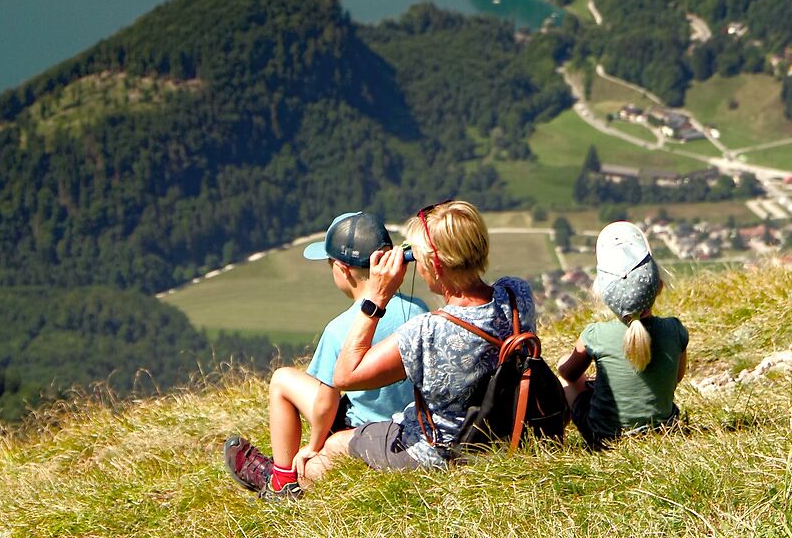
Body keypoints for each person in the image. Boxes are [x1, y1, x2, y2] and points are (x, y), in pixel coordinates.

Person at [233, 197, 537, 489]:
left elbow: (345, 376)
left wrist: (377, 299)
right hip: (498, 428)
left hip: (440, 451)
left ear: (436, 266)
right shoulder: (515, 294)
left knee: (327, 453)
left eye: (416, 256)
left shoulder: (427, 331)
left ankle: (282, 485)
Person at [223, 209, 426, 498]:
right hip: (408, 425)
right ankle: (280, 475)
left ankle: (280, 479)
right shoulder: (418, 309)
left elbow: (324, 404)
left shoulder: (340, 329)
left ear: (342, 269)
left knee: (282, 380)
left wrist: (314, 446)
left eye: (330, 263)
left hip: (361, 431)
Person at [557, 221, 688, 447]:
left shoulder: (595, 335)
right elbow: (675, 377)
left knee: (564, 373)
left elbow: (568, 374)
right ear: (659, 287)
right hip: (666, 433)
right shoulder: (675, 329)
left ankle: (558, 439)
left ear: (604, 295)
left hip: (605, 439)